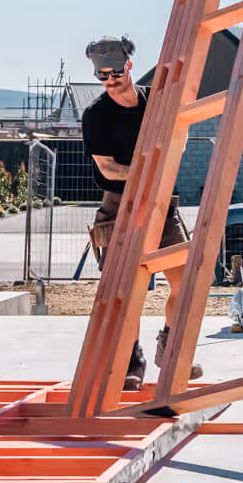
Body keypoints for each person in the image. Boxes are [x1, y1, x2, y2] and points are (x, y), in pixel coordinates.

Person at [80, 35, 202, 389]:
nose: (110, 81)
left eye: (115, 72)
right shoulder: (97, 115)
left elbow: (177, 134)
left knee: (186, 283)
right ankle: (131, 360)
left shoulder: (155, 101)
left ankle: (171, 349)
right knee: (128, 292)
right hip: (121, 206)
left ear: (128, 66)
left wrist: (160, 176)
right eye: (102, 76)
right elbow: (107, 168)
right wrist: (148, 172)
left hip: (162, 205)